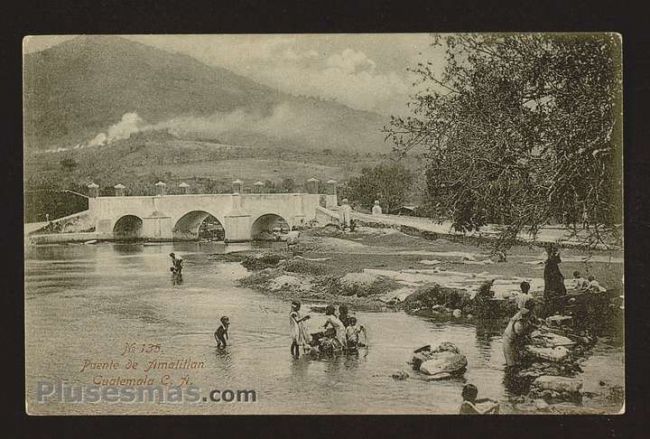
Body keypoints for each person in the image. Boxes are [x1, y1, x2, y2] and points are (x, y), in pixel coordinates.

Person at [502, 299, 537, 368]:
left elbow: (528, 322)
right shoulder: (523, 315)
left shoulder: (525, 312)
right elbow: (518, 330)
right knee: (512, 364)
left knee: (517, 361)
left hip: (512, 339)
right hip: (509, 340)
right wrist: (527, 335)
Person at [543, 244, 566, 316]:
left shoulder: (550, 262)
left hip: (552, 275)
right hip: (552, 276)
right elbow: (557, 260)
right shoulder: (551, 261)